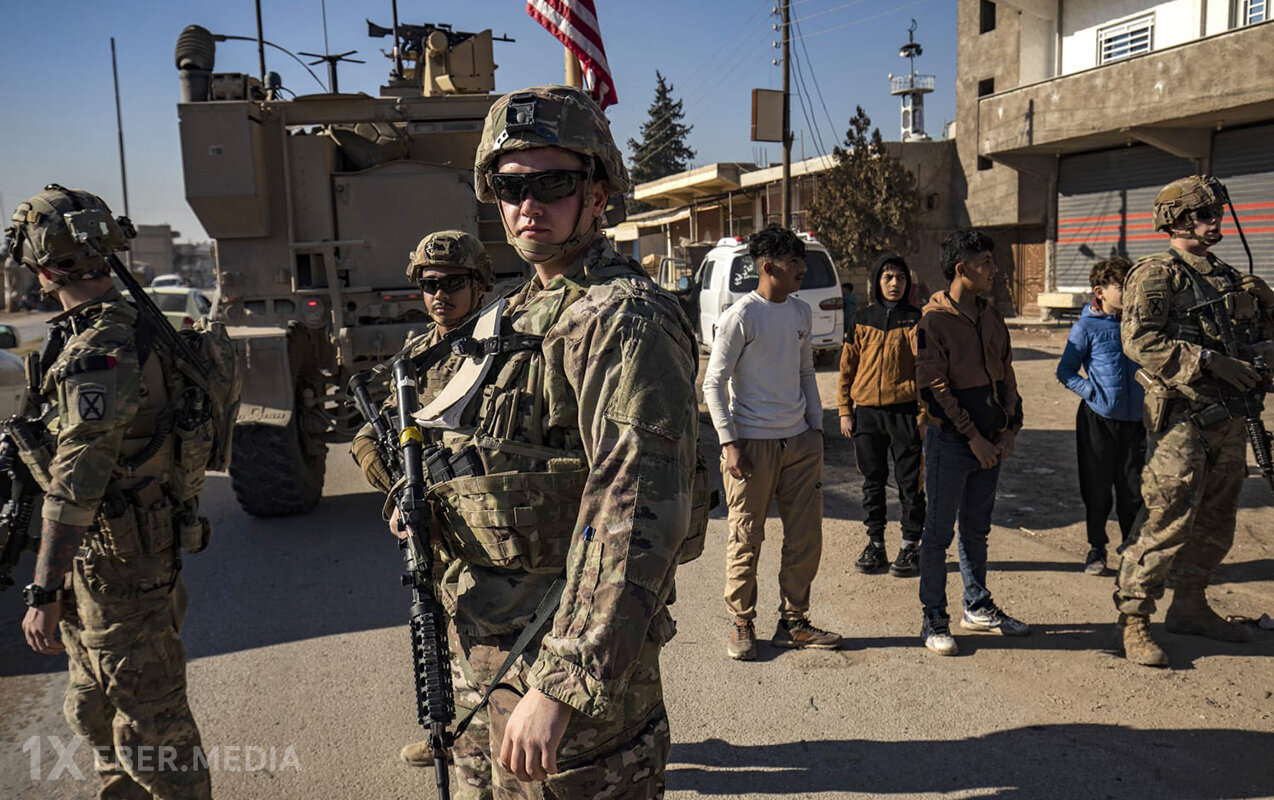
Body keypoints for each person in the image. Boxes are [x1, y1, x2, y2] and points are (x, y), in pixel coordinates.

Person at [355, 86, 698, 798]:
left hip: (564, 688)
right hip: (489, 663)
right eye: (511, 187)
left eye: (554, 184)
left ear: (598, 194)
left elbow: (635, 510)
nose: (528, 205)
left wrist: (564, 684)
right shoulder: (517, 313)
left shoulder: (621, 319)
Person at [8, 185, 211, 798]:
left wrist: (42, 588)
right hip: (110, 562)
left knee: (154, 729)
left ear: (44, 267)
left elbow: (77, 481)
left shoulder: (102, 350)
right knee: (95, 710)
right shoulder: (115, 328)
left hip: (120, 566)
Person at [1114, 175, 1271, 667]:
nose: (1215, 221)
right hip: (1182, 419)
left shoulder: (1227, 276)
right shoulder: (1158, 273)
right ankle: (1135, 619)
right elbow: (1139, 340)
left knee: (1217, 521)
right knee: (1166, 518)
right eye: (1204, 215)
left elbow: (1249, 340)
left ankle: (1191, 606)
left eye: (1216, 213)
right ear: (1177, 221)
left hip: (1230, 419)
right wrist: (1205, 361)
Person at [350, 229, 493, 772]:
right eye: (430, 284)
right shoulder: (416, 351)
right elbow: (372, 434)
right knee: (438, 627)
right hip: (430, 518)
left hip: (489, 518)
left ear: (480, 285)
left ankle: (505, 737)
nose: (441, 294)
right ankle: (447, 734)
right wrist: (398, 492)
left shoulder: (499, 343)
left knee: (497, 637)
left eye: (454, 282)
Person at [704, 223, 841, 662]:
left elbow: (805, 373)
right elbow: (713, 383)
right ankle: (742, 622)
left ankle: (794, 622)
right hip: (752, 445)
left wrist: (816, 428)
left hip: (800, 442)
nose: (803, 268)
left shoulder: (800, 312)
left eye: (802, 260)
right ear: (768, 267)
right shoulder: (741, 316)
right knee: (746, 536)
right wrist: (729, 443)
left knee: (805, 536)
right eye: (794, 261)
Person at [915, 229, 1028, 657]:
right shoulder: (934, 322)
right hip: (953, 443)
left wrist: (1010, 427)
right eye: (985, 262)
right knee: (939, 532)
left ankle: (977, 605)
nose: (994, 270)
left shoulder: (991, 315)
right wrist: (973, 438)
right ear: (962, 269)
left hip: (992, 442)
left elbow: (1007, 373)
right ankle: (934, 617)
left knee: (977, 529)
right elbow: (934, 390)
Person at [1056, 257, 1146, 576]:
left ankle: (1132, 550)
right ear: (1101, 291)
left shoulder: (1140, 324)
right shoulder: (1087, 327)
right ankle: (1097, 547)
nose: (1130, 293)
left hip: (1137, 422)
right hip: (1097, 419)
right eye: (1122, 287)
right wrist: (1092, 392)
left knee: (1133, 488)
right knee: (1096, 486)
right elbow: (1065, 370)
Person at [838, 253, 925, 577]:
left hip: (905, 413)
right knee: (872, 482)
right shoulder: (861, 319)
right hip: (867, 416)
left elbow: (926, 372)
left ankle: (909, 545)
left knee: (910, 484)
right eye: (887, 277)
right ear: (876, 281)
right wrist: (846, 411)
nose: (894, 283)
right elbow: (847, 369)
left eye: (900, 278)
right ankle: (875, 543)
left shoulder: (917, 319)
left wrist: (924, 416)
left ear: (907, 283)